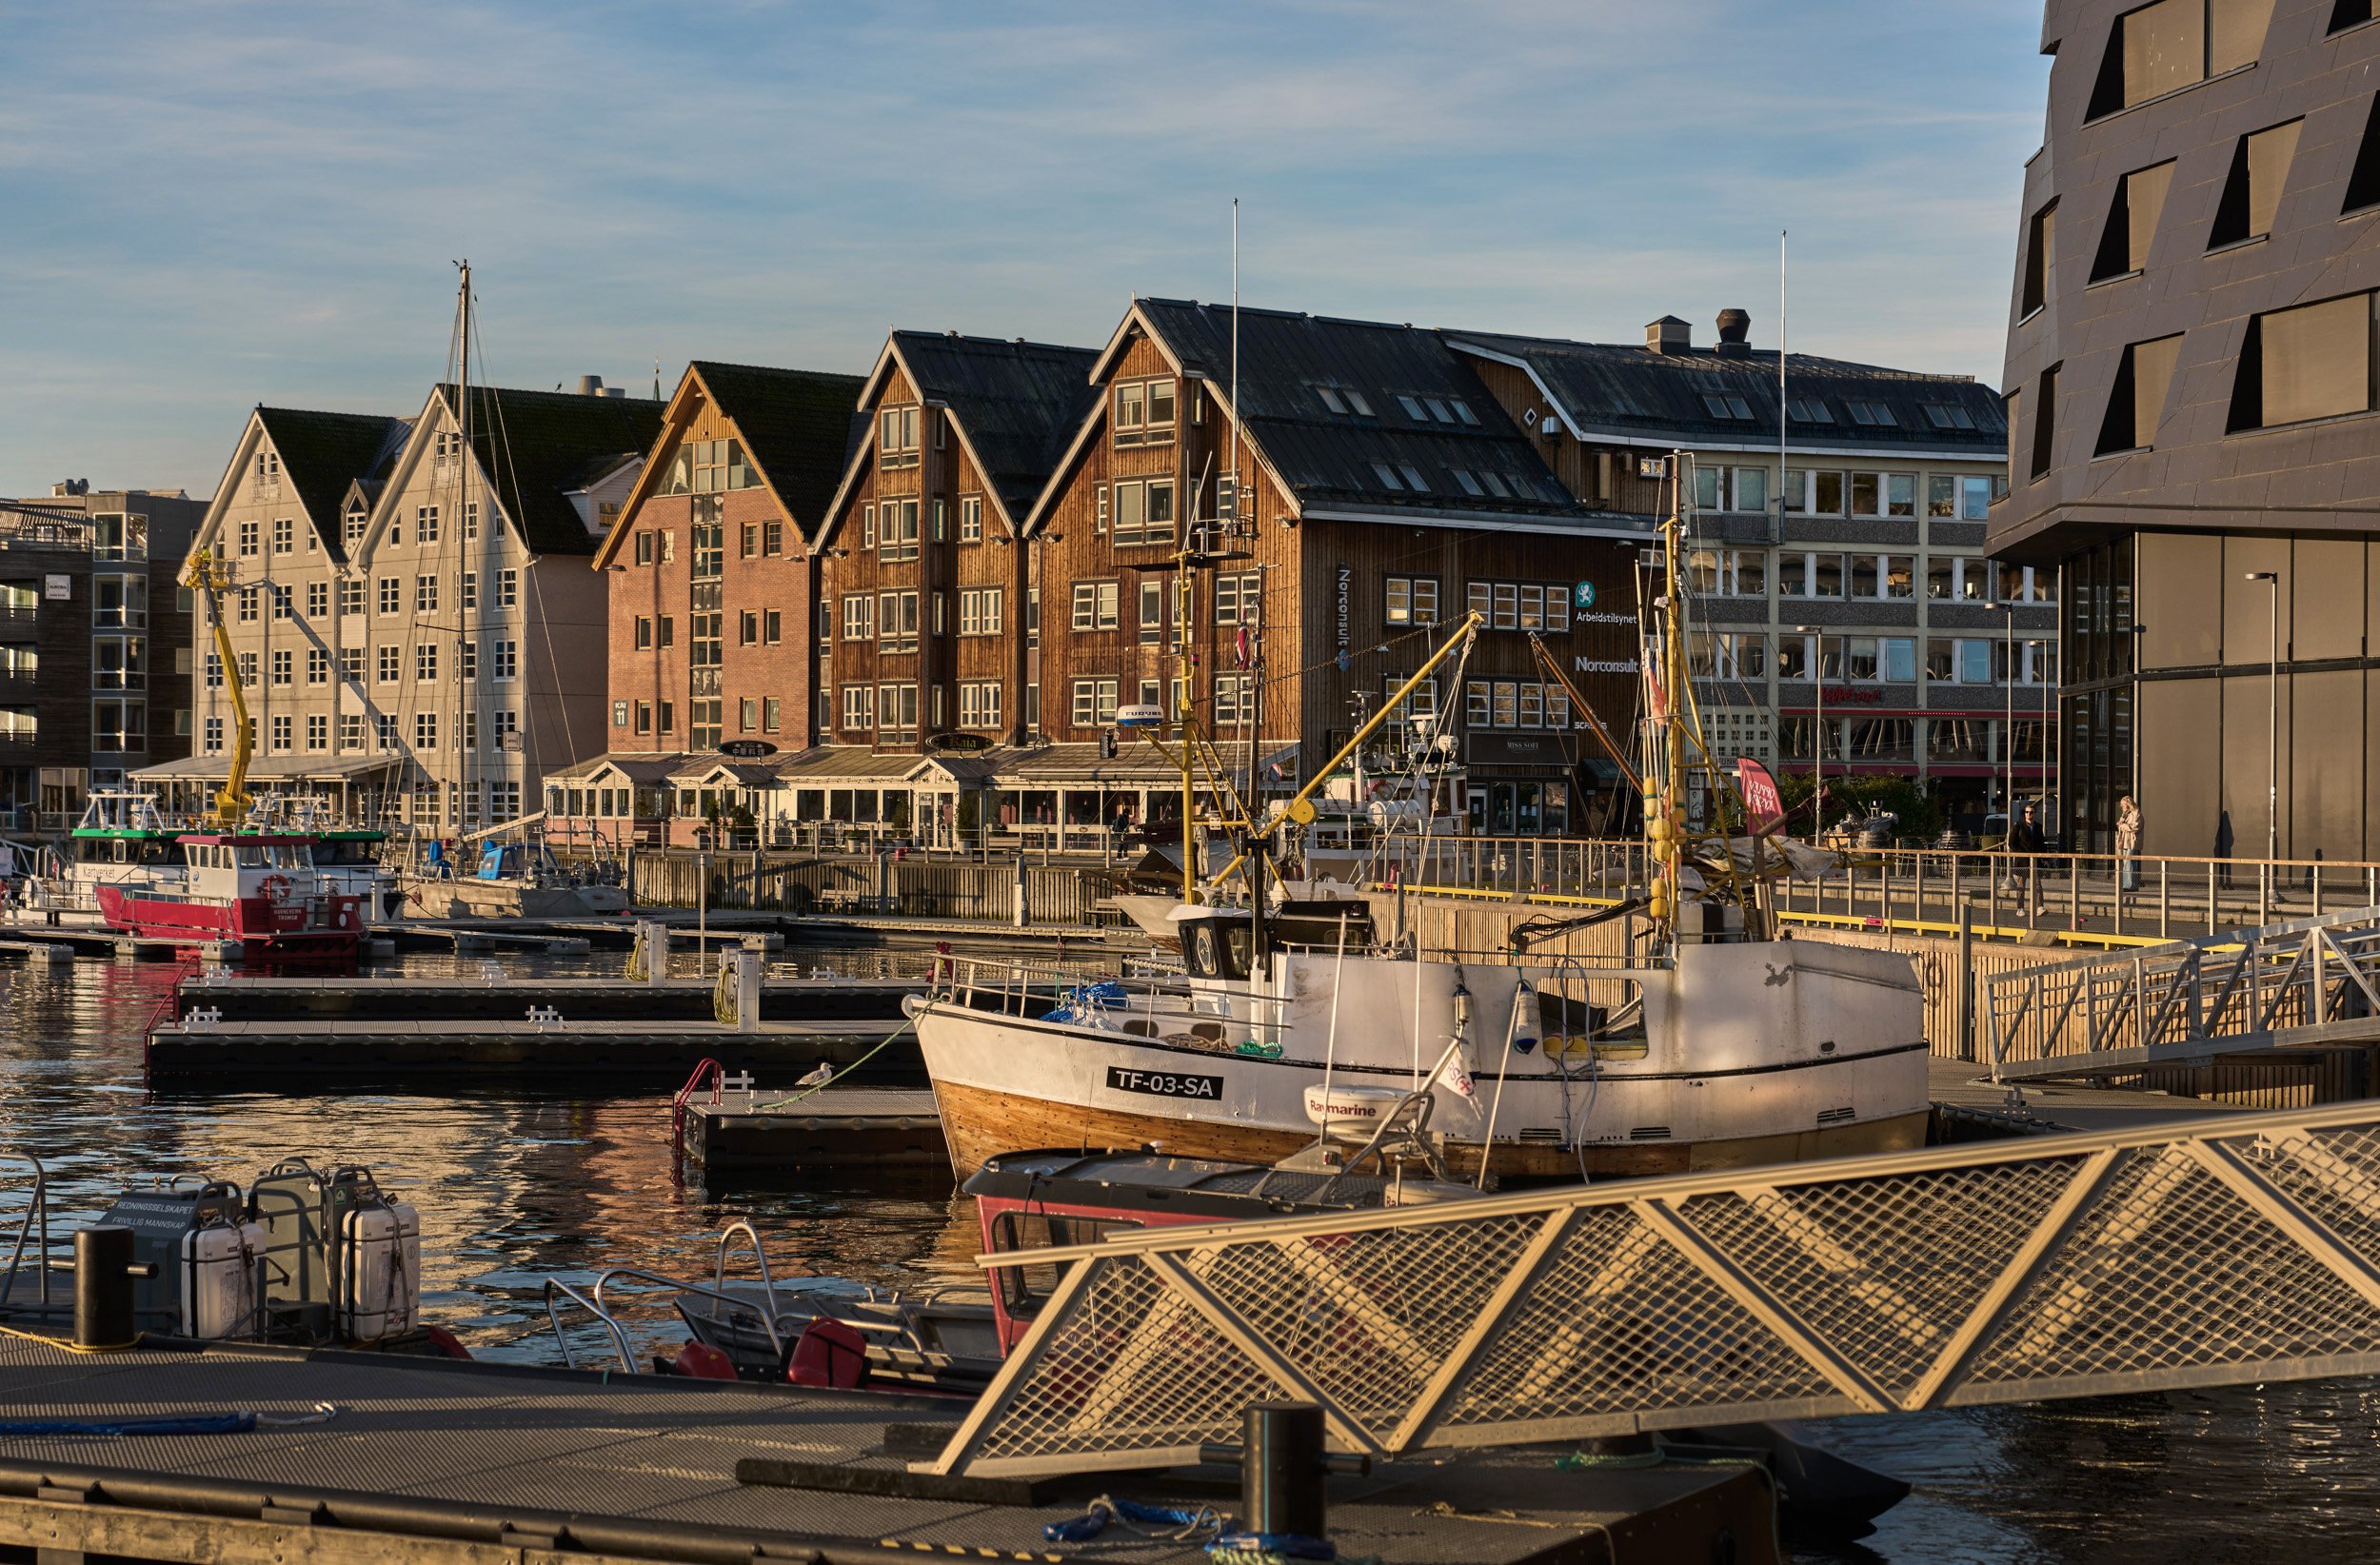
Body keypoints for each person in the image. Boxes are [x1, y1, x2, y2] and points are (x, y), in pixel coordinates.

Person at [2115, 794, 2142, 893]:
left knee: (2129, 862)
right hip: (2126, 841)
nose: (2122, 807)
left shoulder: (2136, 813)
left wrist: (2123, 826)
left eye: (2123, 805)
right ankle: (2129, 884)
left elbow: (2135, 827)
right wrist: (2120, 824)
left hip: (2132, 841)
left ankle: (2131, 885)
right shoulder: (2125, 814)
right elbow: (2124, 826)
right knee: (2127, 863)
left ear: (2128, 804)